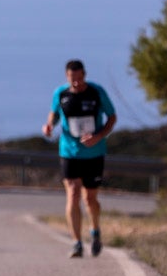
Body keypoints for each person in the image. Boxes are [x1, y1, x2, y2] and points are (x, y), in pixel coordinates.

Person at [42, 59, 117, 258]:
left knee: (89, 198)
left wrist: (99, 136)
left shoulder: (96, 92)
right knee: (73, 194)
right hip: (69, 152)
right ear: (67, 77)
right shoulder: (60, 94)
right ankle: (76, 242)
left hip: (94, 153)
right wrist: (49, 126)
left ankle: (95, 230)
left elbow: (112, 117)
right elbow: (54, 114)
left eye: (80, 78)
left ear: (85, 74)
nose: (76, 83)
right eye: (72, 79)